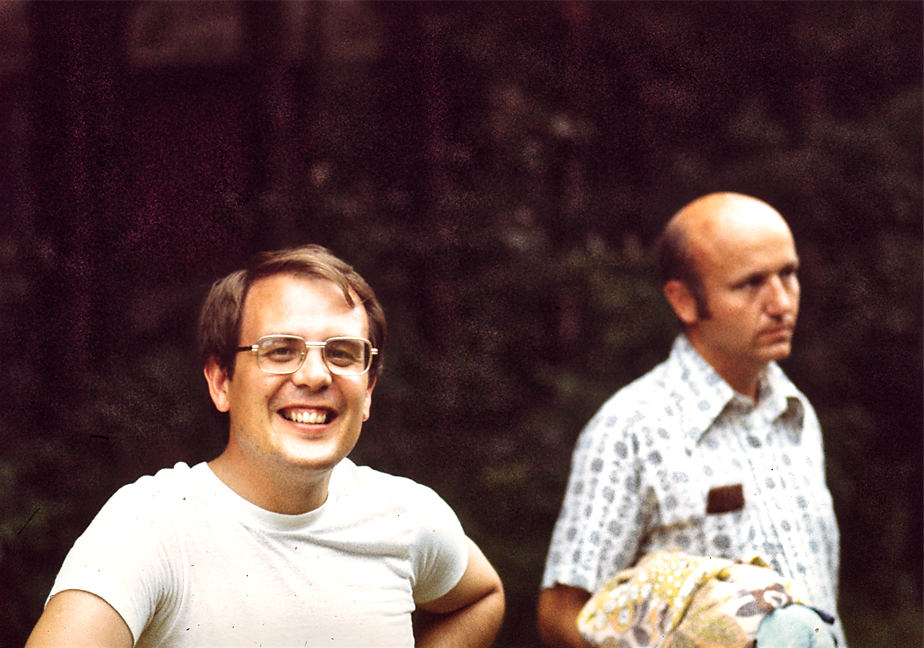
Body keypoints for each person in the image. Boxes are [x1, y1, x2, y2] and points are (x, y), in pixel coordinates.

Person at [27, 244, 504, 648]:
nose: (315, 376)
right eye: (279, 350)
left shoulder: (407, 515)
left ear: (368, 391)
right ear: (221, 381)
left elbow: (482, 597)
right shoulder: (153, 525)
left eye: (342, 353)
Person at [536, 193, 845, 647]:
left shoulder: (796, 413)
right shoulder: (631, 427)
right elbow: (561, 614)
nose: (781, 302)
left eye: (788, 274)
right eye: (750, 283)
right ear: (684, 301)